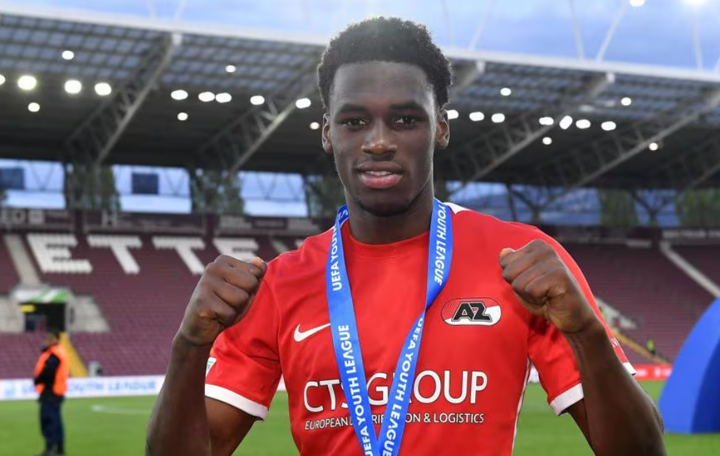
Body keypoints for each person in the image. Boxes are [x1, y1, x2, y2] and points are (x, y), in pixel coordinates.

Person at [147, 17, 665, 456]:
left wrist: (587, 334)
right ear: (328, 133)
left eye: (405, 119)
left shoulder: (516, 260)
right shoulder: (280, 283)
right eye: (355, 121)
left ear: (440, 127)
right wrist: (188, 346)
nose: (378, 142)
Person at [34, 330, 69, 456]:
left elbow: (48, 371)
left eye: (50, 338)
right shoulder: (56, 352)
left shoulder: (54, 354)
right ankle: (59, 448)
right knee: (56, 421)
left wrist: (38, 380)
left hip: (50, 391)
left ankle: (50, 448)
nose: (47, 341)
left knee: (48, 420)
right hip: (56, 391)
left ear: (56, 339)